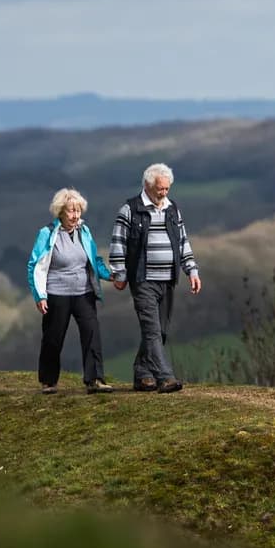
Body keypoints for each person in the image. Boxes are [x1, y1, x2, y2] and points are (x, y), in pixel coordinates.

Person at [108, 162, 200, 393]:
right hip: (142, 279)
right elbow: (118, 243)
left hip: (168, 278)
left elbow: (182, 241)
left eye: (167, 188)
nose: (164, 193)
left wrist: (192, 270)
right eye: (160, 189)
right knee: (151, 330)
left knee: (161, 331)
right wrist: (119, 274)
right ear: (148, 186)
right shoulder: (130, 209)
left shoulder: (172, 209)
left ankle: (143, 374)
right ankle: (164, 377)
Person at [27, 187, 116, 394]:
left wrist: (109, 275)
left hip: (84, 292)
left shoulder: (84, 231)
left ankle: (95, 380)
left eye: (78, 211)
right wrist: (39, 295)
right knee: (53, 337)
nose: (76, 215)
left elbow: (94, 260)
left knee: (92, 333)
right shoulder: (47, 233)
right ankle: (49, 381)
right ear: (60, 212)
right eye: (71, 211)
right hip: (56, 294)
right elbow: (34, 265)